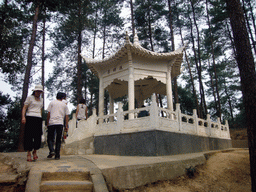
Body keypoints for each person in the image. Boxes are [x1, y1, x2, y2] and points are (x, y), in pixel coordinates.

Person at [21, 85, 44, 162]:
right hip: (30, 117)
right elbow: (24, 107)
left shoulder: (41, 100)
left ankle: (35, 152)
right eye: (37, 91)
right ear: (34, 91)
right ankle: (28, 153)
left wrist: (41, 118)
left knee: (37, 136)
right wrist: (23, 117)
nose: (38, 93)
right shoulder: (30, 98)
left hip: (38, 118)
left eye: (40, 91)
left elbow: (40, 109)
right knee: (29, 136)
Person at [46, 92, 69, 160]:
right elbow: (66, 116)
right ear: (63, 98)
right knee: (58, 139)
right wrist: (66, 125)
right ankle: (57, 155)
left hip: (52, 122)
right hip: (60, 123)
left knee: (50, 138)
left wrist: (48, 122)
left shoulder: (52, 102)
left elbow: (49, 113)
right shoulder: (64, 105)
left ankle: (52, 150)